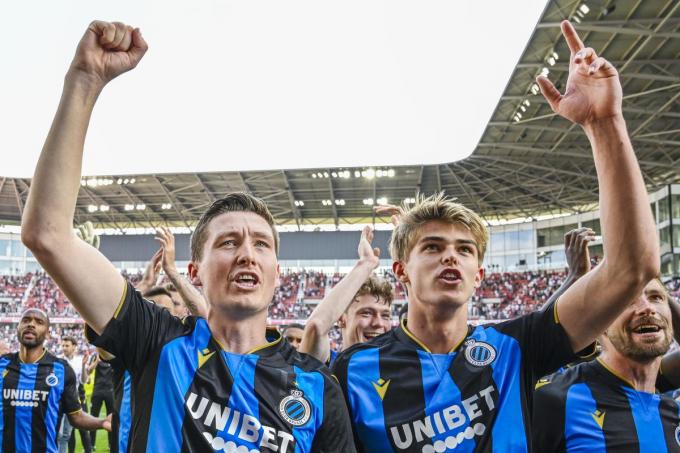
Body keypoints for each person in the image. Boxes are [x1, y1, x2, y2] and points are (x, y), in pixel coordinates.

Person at [22, 21, 355, 452]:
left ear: (277, 272)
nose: (247, 255)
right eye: (229, 242)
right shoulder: (159, 342)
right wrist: (84, 81)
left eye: (261, 244)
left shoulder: (317, 386)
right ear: (194, 271)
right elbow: (47, 234)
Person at [332, 21, 659, 452]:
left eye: (464, 249)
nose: (451, 257)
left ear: (480, 274)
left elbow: (632, 269)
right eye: (432, 247)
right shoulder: (350, 370)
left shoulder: (516, 347)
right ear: (401, 271)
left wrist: (604, 124)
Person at [533, 278, 680, 451]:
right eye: (627, 300)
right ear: (600, 322)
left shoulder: (672, 412)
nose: (647, 308)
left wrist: (644, 273)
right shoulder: (554, 399)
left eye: (656, 297)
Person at [0, 309, 110, 453]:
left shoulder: (62, 370)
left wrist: (102, 422)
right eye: (26, 320)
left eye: (39, 322)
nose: (31, 324)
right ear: (18, 328)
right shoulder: (2, 364)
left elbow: (76, 416)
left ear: (48, 333)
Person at [300, 226, 391, 364]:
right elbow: (316, 327)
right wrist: (366, 263)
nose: (378, 323)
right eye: (366, 313)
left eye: (385, 316)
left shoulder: (399, 369)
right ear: (342, 319)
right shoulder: (329, 365)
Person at [57, 336, 92, 453]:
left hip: (72, 401)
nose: (64, 348)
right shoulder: (57, 360)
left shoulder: (79, 361)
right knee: (58, 434)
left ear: (74, 347)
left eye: (67, 345)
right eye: (63, 345)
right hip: (58, 401)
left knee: (66, 435)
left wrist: (83, 366)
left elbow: (83, 381)